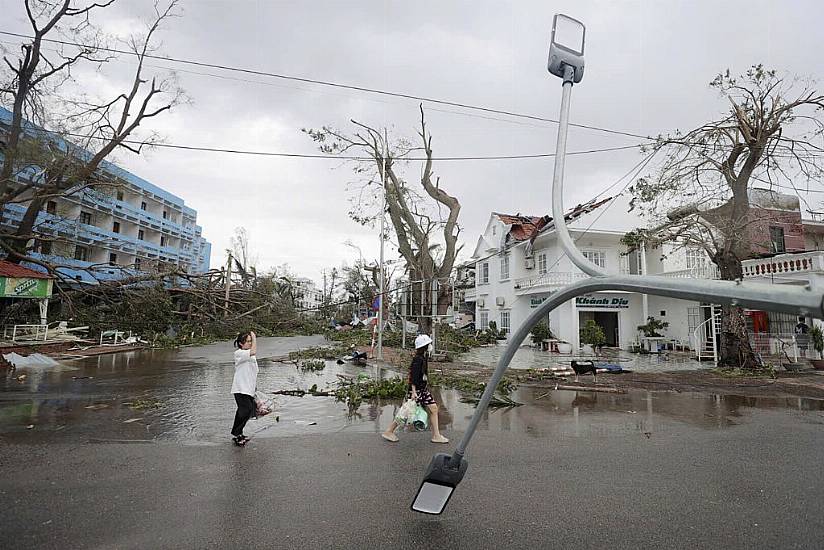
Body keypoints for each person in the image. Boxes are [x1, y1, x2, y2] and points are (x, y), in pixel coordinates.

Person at [381, 334, 449, 444]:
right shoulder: (418, 360)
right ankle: (389, 431)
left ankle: (436, 435)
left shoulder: (422, 358)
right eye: (428, 344)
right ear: (424, 346)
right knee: (406, 412)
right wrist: (413, 391)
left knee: (433, 409)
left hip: (422, 390)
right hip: (417, 391)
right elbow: (413, 376)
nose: (430, 346)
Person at [231, 331, 258, 446]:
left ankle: (239, 433)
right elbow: (253, 351)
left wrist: (254, 388)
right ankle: (236, 434)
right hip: (240, 389)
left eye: (250, 341)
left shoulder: (250, 356)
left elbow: (253, 372)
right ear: (241, 344)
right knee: (245, 411)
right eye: (248, 341)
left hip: (248, 389)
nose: (250, 343)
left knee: (249, 411)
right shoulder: (239, 353)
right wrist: (254, 337)